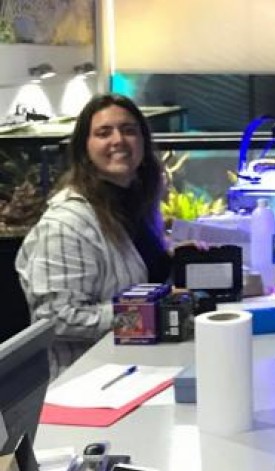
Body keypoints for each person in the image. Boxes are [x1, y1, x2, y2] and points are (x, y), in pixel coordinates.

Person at [16, 93, 169, 374]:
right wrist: (147, 316)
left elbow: (140, 275)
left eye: (129, 130)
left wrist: (175, 260)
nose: (118, 140)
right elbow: (56, 317)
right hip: (89, 379)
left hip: (138, 366)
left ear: (143, 142)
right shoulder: (66, 224)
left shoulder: (134, 204)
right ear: (84, 148)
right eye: (103, 133)